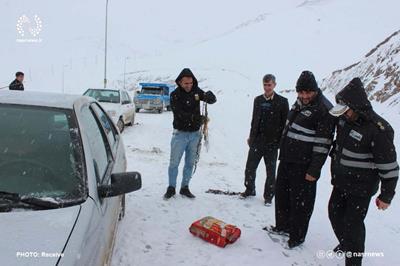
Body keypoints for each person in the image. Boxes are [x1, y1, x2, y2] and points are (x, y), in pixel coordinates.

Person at [328, 78, 398, 266]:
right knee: (334, 213)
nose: (343, 114)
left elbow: (389, 166)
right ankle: (346, 244)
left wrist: (387, 195)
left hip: (361, 187)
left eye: (346, 110)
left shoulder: (378, 129)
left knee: (353, 226)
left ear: (356, 106)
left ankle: (353, 259)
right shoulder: (344, 120)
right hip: (341, 181)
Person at [270, 70, 335, 248]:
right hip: (288, 158)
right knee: (283, 194)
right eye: (301, 92)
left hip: (304, 164)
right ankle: (282, 226)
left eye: (308, 92)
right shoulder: (299, 102)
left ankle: (297, 236)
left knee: (301, 202)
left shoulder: (324, 109)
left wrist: (314, 170)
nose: (304, 96)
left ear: (315, 90)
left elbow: (323, 144)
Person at [164, 68, 217, 200]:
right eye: (186, 83)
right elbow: (179, 114)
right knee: (174, 163)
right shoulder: (175, 95)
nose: (189, 86)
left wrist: (211, 96)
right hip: (180, 135)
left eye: (190, 83)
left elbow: (210, 100)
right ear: (180, 82)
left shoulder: (196, 92)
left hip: (195, 135)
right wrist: (195, 118)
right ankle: (171, 188)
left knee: (190, 163)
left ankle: (185, 187)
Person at [240, 74, 289, 206]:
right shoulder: (258, 100)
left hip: (272, 143)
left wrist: (280, 142)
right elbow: (254, 120)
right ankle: (250, 189)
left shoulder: (282, 102)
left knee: (271, 172)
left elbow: (285, 124)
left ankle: (268, 196)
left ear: (274, 85)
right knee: (250, 168)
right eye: (265, 85)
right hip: (257, 141)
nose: (267, 87)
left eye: (269, 85)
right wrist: (251, 137)